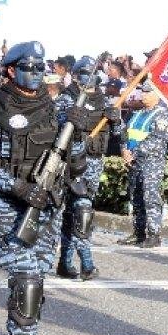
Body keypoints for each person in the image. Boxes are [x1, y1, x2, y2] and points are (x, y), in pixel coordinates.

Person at [0, 41, 90, 335]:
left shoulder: (57, 108)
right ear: (10, 69)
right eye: (28, 67)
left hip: (47, 204)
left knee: (36, 282)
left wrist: (78, 132)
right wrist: (17, 187)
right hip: (6, 203)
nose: (35, 74)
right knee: (27, 281)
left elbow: (75, 164)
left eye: (40, 68)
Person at [55, 56, 121, 282]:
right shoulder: (67, 98)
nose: (88, 77)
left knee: (76, 213)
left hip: (95, 161)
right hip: (72, 163)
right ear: (75, 75)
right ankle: (87, 263)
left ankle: (65, 263)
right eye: (83, 72)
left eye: (92, 73)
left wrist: (117, 121)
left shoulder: (105, 101)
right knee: (82, 211)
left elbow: (119, 136)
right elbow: (54, 124)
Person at [118, 81, 168, 248]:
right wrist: (124, 150)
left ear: (156, 95)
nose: (143, 95)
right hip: (134, 162)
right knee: (136, 197)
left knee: (150, 198)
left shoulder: (161, 114)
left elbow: (157, 140)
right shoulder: (137, 113)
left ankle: (153, 234)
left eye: (147, 92)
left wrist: (133, 153)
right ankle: (139, 232)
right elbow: (125, 133)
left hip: (151, 163)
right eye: (142, 92)